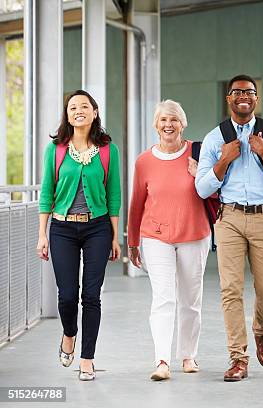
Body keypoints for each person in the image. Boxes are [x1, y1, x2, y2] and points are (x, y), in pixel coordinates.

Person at [195, 74, 263, 382]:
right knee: (230, 290)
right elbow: (201, 188)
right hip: (230, 218)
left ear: (256, 98)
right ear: (228, 99)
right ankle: (238, 358)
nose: (244, 96)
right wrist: (223, 161)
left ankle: (262, 330)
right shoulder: (216, 138)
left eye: (249, 92)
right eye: (237, 92)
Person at [37, 90, 121, 381]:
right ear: (67, 114)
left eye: (84, 106)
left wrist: (114, 235)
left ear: (95, 112)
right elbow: (47, 192)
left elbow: (114, 194)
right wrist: (42, 234)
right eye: (73, 107)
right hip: (61, 229)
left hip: (97, 227)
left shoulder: (109, 150)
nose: (78, 110)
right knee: (67, 295)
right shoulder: (56, 149)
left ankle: (87, 359)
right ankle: (69, 333)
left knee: (91, 296)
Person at [127, 100, 211, 381]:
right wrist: (133, 241)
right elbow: (137, 203)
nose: (168, 125)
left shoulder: (199, 155)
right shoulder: (144, 162)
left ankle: (188, 355)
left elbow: (217, 194)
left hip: (194, 233)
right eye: (163, 119)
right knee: (163, 299)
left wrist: (200, 174)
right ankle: (161, 360)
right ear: (155, 125)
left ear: (183, 124)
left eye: (174, 119)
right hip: (156, 236)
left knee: (190, 299)